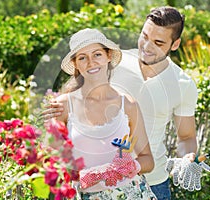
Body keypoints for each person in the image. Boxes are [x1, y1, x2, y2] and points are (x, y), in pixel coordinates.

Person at [44, 7, 203, 200]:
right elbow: (82, 84)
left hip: (154, 181)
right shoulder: (116, 61)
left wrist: (187, 158)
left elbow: (186, 137)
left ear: (175, 44)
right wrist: (60, 106)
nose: (147, 46)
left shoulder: (183, 84)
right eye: (144, 36)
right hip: (96, 185)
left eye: (158, 42)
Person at [44, 28, 157, 199]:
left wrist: (127, 167)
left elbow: (147, 160)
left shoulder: (128, 105)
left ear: (108, 56)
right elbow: (49, 163)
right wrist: (81, 176)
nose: (91, 62)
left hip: (131, 193)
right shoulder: (63, 107)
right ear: (75, 64)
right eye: (82, 58)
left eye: (97, 54)